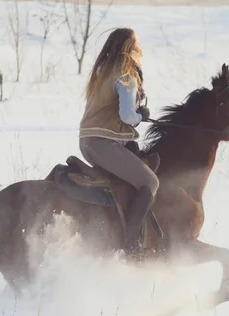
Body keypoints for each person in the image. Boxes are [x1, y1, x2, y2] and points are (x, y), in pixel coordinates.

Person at [78, 27, 157, 257]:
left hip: (88, 141)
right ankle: (130, 245)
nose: (140, 49)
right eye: (137, 44)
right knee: (149, 182)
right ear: (129, 48)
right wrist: (140, 115)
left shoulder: (102, 71)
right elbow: (126, 117)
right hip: (105, 143)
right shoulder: (126, 75)